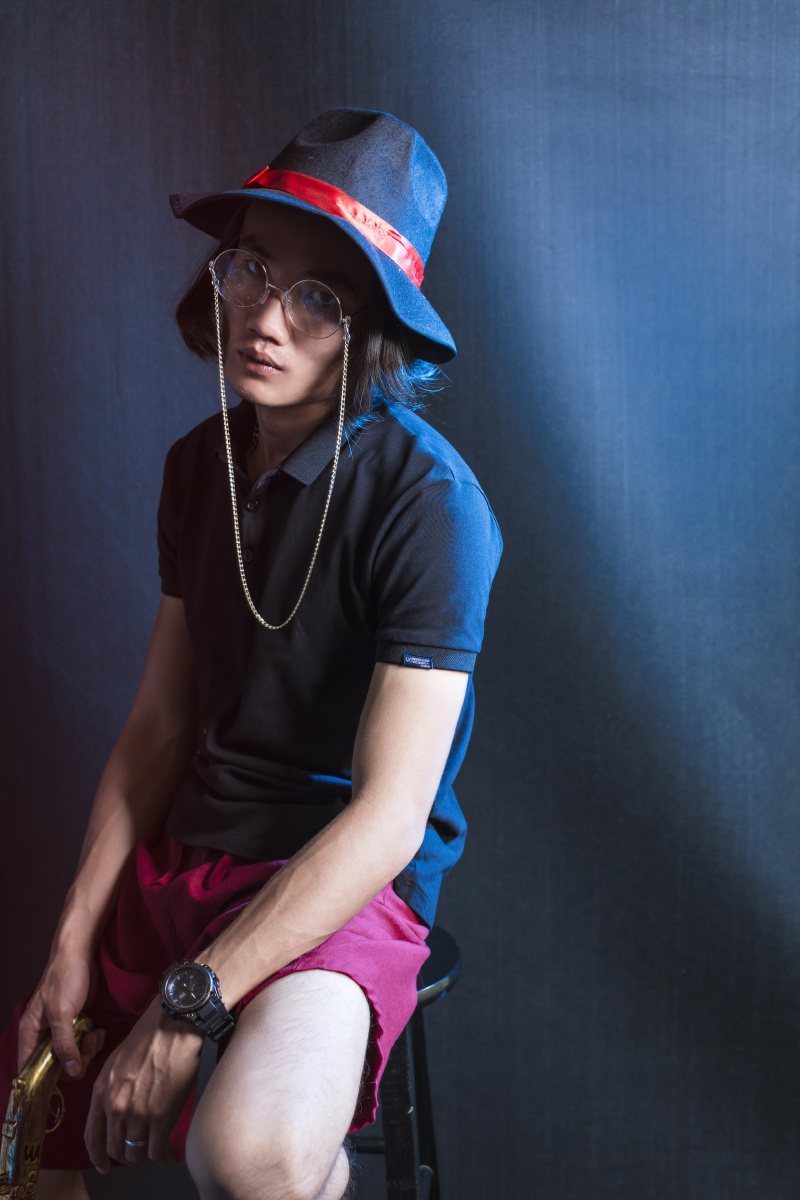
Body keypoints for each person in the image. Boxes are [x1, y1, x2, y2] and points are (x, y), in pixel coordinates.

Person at [0, 108, 502, 1200]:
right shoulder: (199, 466)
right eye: (251, 271)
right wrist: (72, 936)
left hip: (339, 880)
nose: (266, 319)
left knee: (247, 1156)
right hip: (189, 858)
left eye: (319, 299)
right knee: (24, 1128)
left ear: (372, 326)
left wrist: (193, 1003)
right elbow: (159, 726)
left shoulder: (432, 504)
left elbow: (389, 817)